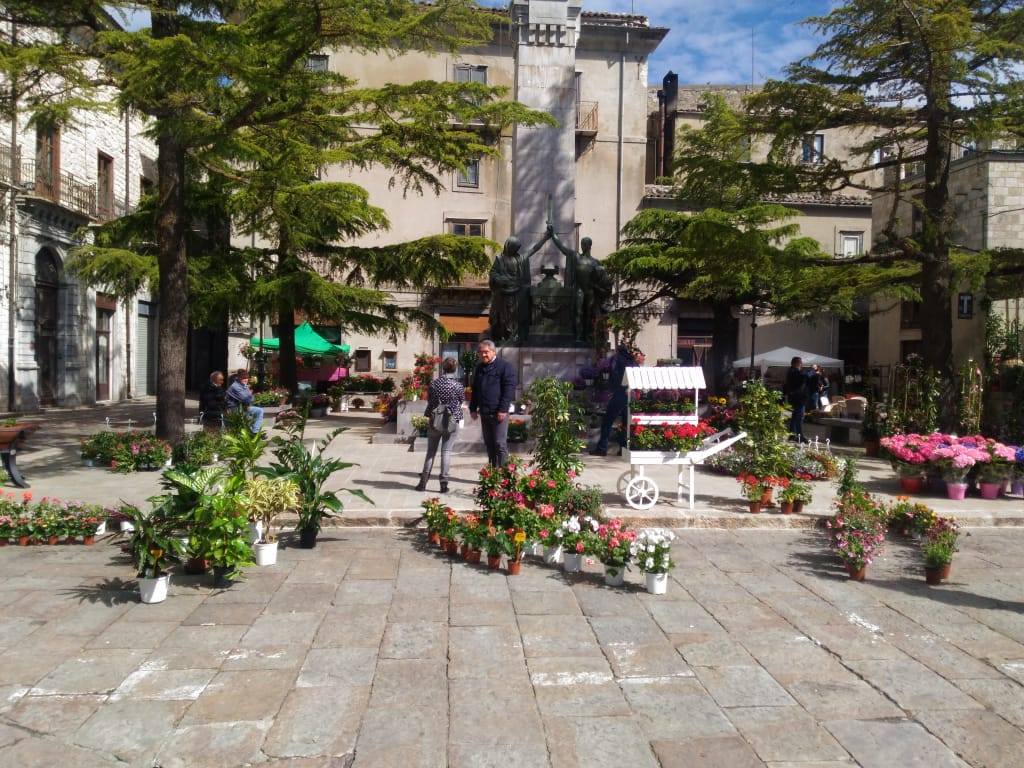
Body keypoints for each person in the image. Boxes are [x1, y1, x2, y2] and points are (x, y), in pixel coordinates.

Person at [416, 357, 465, 493]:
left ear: (443, 368)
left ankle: (423, 483)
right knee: (446, 452)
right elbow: (461, 401)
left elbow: (430, 401)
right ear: (455, 369)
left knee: (430, 452)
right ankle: (444, 484)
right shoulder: (458, 385)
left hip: (435, 420)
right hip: (451, 420)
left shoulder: (434, 383)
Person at [469, 340, 517, 466]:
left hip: (498, 412)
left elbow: (509, 389)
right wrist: (473, 408)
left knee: (499, 444)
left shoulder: (505, 367)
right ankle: (492, 474)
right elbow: (475, 389)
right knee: (489, 444)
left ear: (493, 351)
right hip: (484, 412)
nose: (483, 355)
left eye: (486, 352)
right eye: (480, 352)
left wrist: (503, 409)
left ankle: (502, 475)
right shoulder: (479, 368)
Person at [591, 343, 639, 456]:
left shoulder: (617, 360)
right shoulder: (633, 362)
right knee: (626, 423)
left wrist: (612, 390)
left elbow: (614, 376)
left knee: (607, 421)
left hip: (620, 394)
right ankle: (623, 448)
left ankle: (602, 448)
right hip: (630, 395)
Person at [226, 369, 264, 433]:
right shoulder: (235, 386)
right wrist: (251, 396)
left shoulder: (243, 385)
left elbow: (249, 398)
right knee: (253, 413)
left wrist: (250, 397)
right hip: (235, 409)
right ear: (238, 378)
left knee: (259, 411)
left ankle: (255, 431)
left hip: (243, 407)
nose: (246, 380)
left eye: (246, 378)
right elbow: (246, 399)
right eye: (243, 378)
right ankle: (252, 432)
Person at [783, 356, 810, 440]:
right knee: (799, 417)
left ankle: (792, 435)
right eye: (800, 363)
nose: (801, 364)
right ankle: (800, 436)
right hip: (798, 399)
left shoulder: (793, 371)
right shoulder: (794, 372)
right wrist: (812, 370)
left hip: (796, 398)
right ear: (796, 363)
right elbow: (806, 375)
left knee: (795, 417)